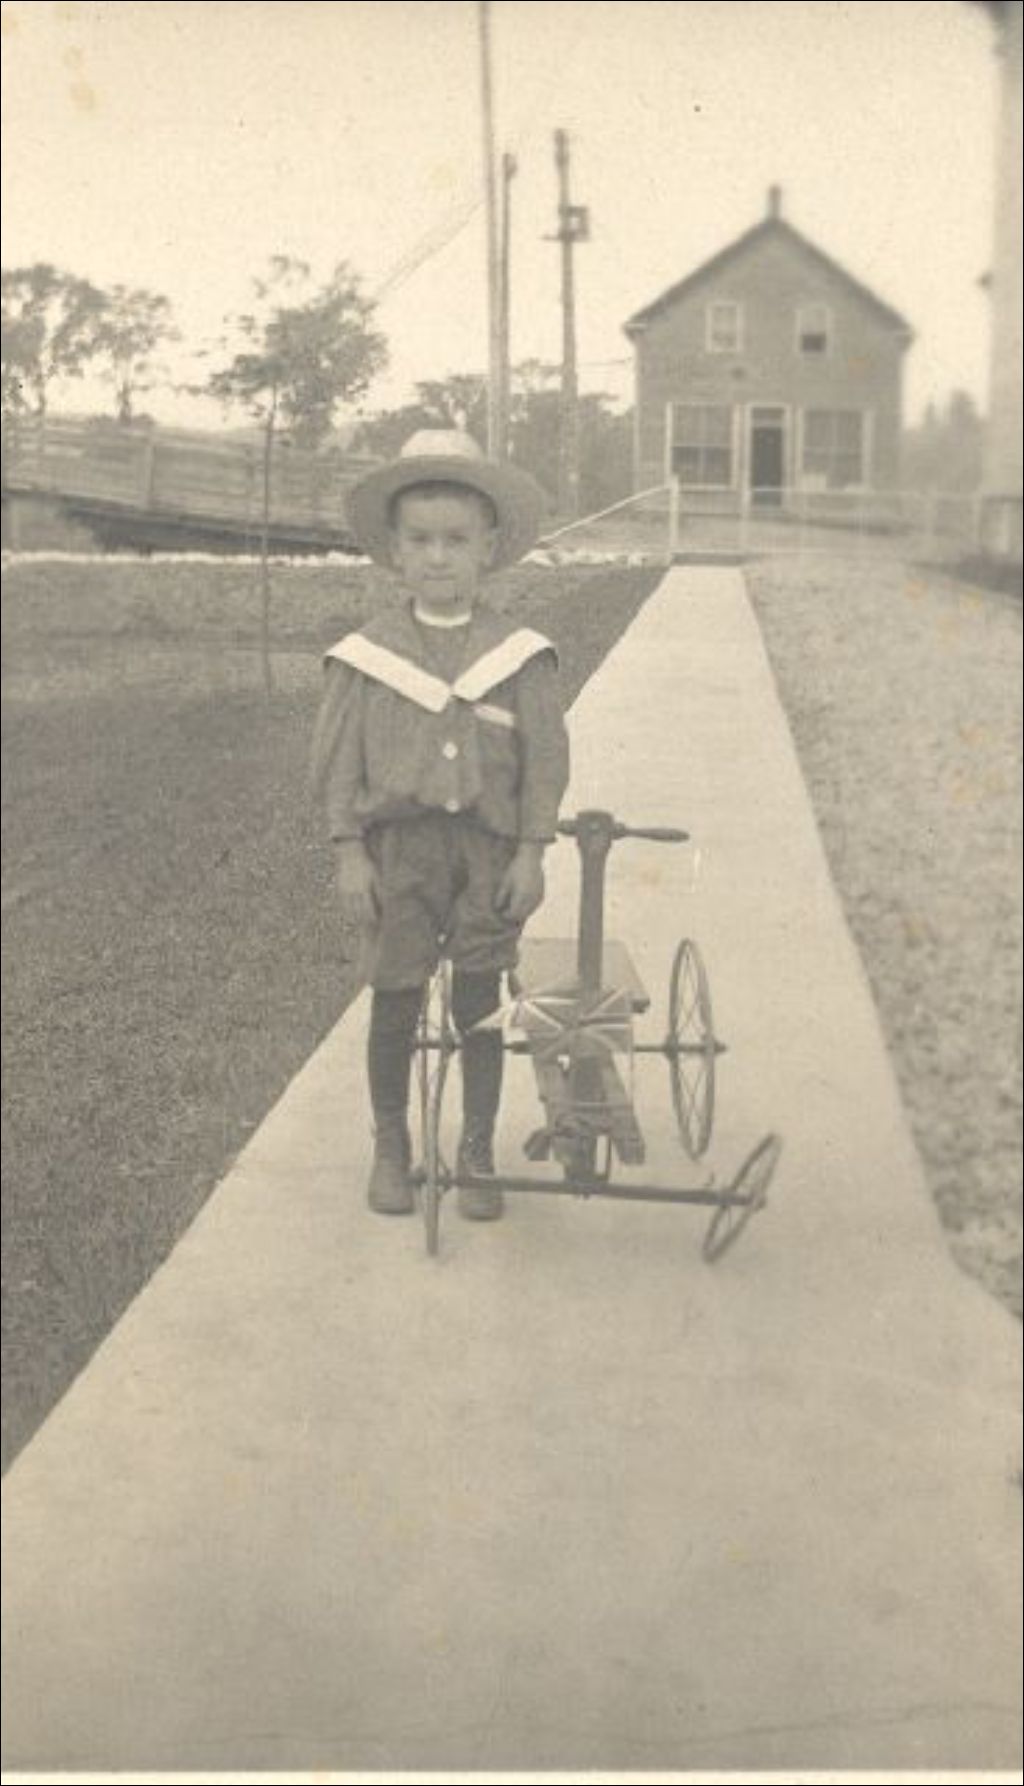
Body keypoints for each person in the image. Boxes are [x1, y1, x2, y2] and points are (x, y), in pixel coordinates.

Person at [310, 429, 570, 1221]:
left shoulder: (517, 655)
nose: (438, 557)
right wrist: (350, 853)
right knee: (394, 996)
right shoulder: (368, 656)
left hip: (488, 854)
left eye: (456, 540)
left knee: (479, 1003)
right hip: (400, 854)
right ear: (393, 550)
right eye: (420, 540)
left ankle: (477, 1150)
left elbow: (544, 762)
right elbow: (338, 764)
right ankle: (392, 1146)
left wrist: (532, 852)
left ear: (488, 547)